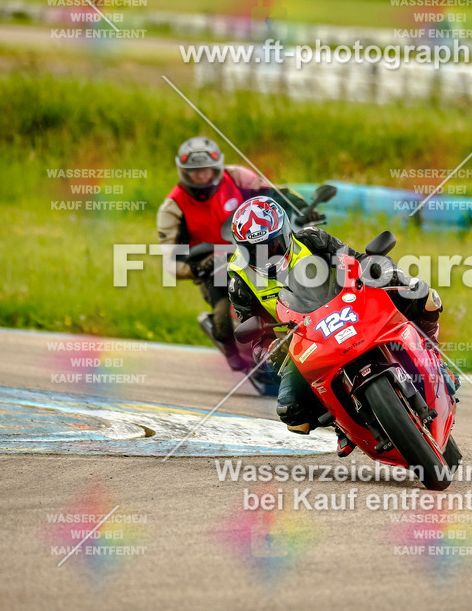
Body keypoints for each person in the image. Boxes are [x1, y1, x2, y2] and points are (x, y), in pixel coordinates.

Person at [225, 196, 449, 456]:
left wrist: (384, 273)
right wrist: (267, 349)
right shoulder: (239, 278)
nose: (267, 253)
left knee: (423, 295)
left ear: (285, 232)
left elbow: (356, 260)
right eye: (255, 250)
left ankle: (432, 352)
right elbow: (251, 328)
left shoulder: (311, 239)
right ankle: (342, 424)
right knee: (291, 411)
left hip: (350, 306)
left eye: (271, 244)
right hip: (303, 338)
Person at [156, 137, 306, 371]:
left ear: (216, 167)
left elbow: (275, 195)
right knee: (222, 316)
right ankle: (233, 352)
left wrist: (301, 209)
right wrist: (199, 266)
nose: (201, 176)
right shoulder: (172, 207)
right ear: (184, 172)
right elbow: (170, 260)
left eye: (205, 170)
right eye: (195, 171)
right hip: (214, 267)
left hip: (258, 251)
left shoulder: (237, 177)